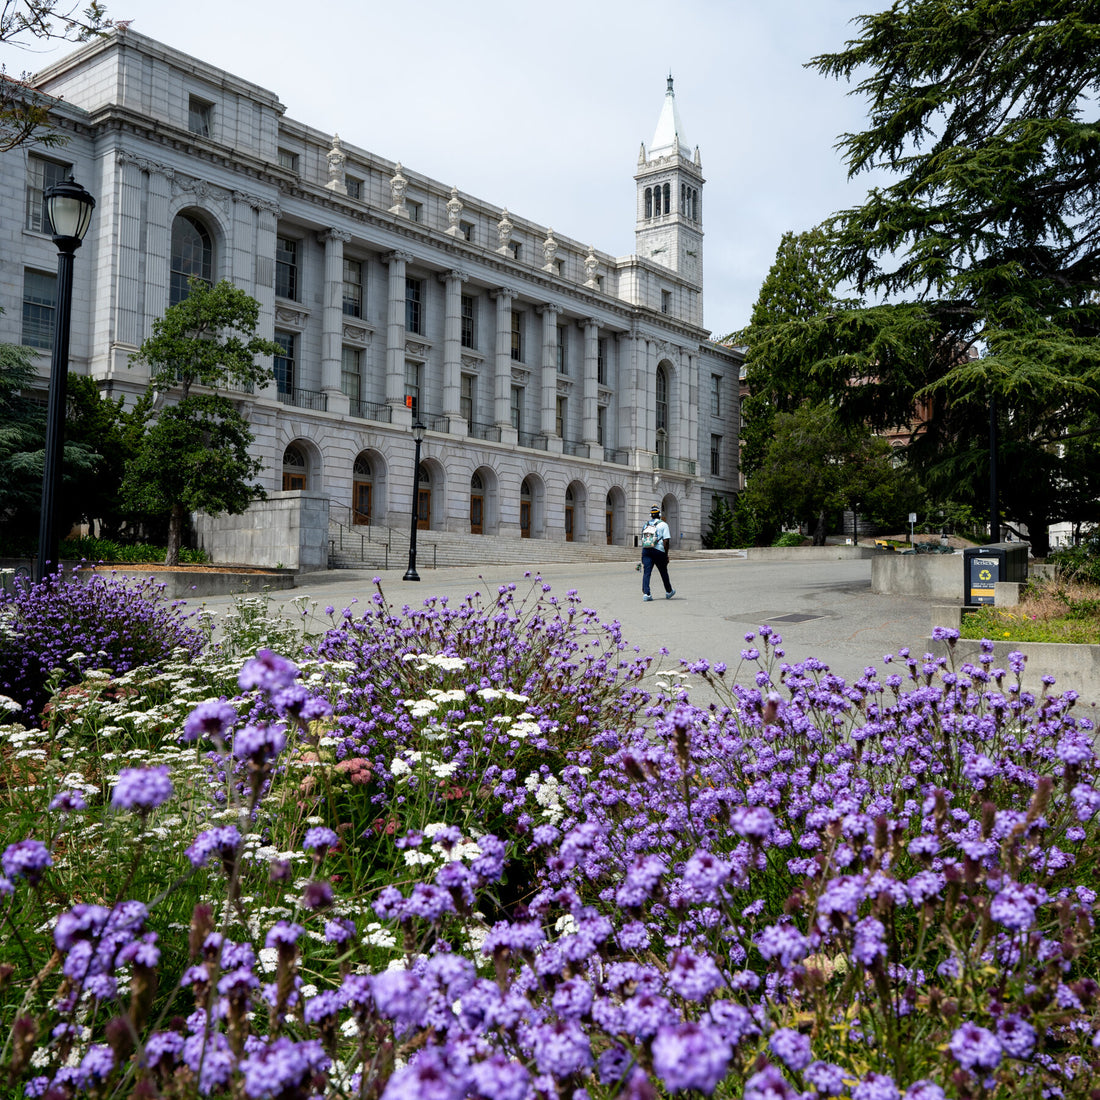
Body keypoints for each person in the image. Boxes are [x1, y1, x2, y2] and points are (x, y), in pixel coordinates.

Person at [640, 505, 675, 601]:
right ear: (659, 514)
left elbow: (642, 539)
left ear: (651, 515)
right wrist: (666, 555)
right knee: (663, 571)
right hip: (658, 550)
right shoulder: (664, 524)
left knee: (647, 572)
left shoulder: (645, 525)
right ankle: (669, 591)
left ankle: (646, 594)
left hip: (646, 550)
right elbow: (666, 541)